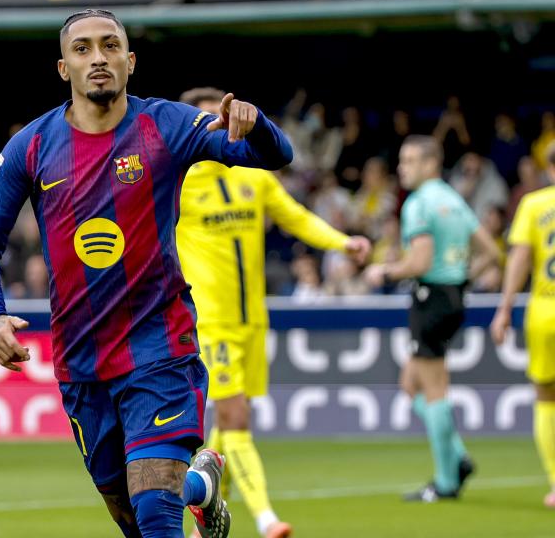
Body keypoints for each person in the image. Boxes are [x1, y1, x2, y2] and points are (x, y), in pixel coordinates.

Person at [0, 8, 293, 538]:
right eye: (84, 48)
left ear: (130, 61)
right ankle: (199, 493)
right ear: (63, 67)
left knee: (155, 514)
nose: (99, 58)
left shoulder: (166, 124)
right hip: (82, 365)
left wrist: (260, 127)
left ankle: (183, 489)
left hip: (159, 350)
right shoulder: (32, 145)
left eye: (111, 45)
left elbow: (274, 156)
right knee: (133, 519)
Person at [177, 87, 371, 538]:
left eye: (220, 117)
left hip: (253, 321)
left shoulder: (254, 176)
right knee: (235, 418)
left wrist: (344, 243)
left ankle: (201, 511)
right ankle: (266, 520)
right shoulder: (179, 183)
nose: (215, 126)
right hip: (210, 321)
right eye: (203, 119)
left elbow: (297, 218)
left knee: (233, 421)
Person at [364, 135, 499, 502]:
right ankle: (457, 457)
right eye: (402, 160)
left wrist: (384, 272)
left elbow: (420, 262)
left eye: (410, 161)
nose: (402, 168)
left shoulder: (419, 204)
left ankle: (445, 482)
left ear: (431, 163)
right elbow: (491, 251)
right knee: (411, 383)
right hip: (452, 295)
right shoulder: (453, 200)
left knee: (434, 389)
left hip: (430, 297)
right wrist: (464, 277)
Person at [489, 147, 555, 509]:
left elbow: (519, 258)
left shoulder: (533, 204)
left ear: (550, 168)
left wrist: (504, 309)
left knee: (546, 398)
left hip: (545, 311)